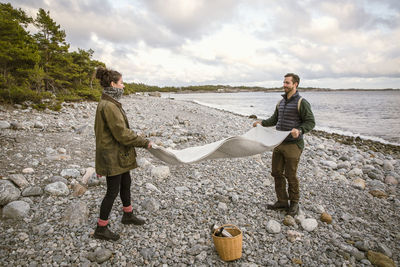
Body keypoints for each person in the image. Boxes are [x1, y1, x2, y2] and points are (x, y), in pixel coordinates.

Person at [93, 67, 153, 241]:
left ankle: (128, 215)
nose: (124, 86)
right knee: (112, 191)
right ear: (113, 84)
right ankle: (101, 228)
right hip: (112, 155)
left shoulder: (109, 102)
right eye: (121, 83)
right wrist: (145, 142)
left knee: (126, 182)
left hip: (119, 154)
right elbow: (122, 134)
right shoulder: (109, 106)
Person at [253, 73, 315, 216]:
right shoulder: (280, 103)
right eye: (284, 82)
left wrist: (300, 130)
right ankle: (282, 201)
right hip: (278, 142)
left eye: (287, 83)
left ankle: (294, 203)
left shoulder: (302, 102)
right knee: (276, 172)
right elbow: (275, 120)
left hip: (294, 145)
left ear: (295, 84)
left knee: (290, 175)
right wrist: (261, 123)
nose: (284, 85)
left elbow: (310, 122)